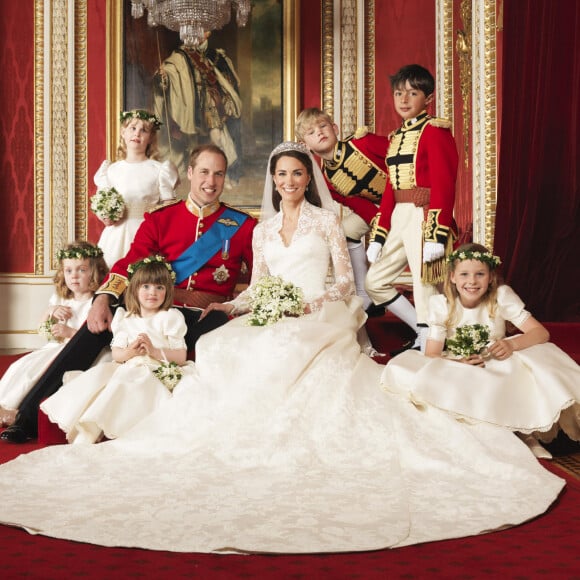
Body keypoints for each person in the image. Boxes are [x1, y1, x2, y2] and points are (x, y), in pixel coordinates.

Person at [0, 143, 565, 554]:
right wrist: (222, 306)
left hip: (311, 312)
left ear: (302, 177)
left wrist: (299, 303)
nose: (289, 181)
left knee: (267, 346)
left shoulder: (292, 224)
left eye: (297, 173)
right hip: (221, 306)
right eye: (281, 174)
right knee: (210, 344)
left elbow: (344, 283)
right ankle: (45, 412)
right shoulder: (223, 227)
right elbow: (237, 282)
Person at [0, 144, 255, 443]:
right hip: (152, 306)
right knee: (96, 327)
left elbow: (259, 278)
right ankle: (29, 417)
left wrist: (233, 307)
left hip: (203, 316)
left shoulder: (243, 226)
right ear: (189, 173)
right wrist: (102, 299)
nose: (210, 182)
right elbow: (128, 265)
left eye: (218, 174)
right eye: (203, 172)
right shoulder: (162, 219)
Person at [381, 243, 580, 458]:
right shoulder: (442, 305)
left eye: (480, 274)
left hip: (496, 361)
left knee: (521, 366)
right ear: (453, 277)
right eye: (464, 274)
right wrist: (458, 363)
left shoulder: (500, 297)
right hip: (460, 362)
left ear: (491, 277)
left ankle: (525, 434)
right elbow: (432, 354)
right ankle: (481, 436)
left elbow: (541, 333)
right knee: (412, 371)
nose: (472, 281)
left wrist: (511, 344)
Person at [41, 256, 195, 444]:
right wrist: (131, 351)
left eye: (159, 287)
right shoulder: (125, 317)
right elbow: (117, 354)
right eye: (145, 287)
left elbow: (180, 356)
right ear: (134, 290)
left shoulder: (170, 317)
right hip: (129, 364)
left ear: (167, 291)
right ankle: (88, 430)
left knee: (129, 383)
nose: (152, 292)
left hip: (158, 368)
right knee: (99, 380)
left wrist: (154, 351)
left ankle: (114, 429)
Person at [365, 64, 459, 352]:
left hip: (425, 215)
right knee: (375, 281)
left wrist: (435, 234)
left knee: (425, 282)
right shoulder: (396, 137)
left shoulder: (435, 131)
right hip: (399, 216)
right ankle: (421, 331)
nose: (403, 100)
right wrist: (379, 235)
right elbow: (390, 190)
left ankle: (429, 338)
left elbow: (445, 185)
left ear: (427, 98)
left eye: (412, 93)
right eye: (398, 94)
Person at [0, 242, 109, 427]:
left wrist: (69, 332)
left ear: (95, 272)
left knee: (40, 370)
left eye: (81, 270)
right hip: (55, 346)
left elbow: (92, 339)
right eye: (68, 270)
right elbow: (43, 328)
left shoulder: (97, 302)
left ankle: (20, 409)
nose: (74, 275)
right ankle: (5, 404)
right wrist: (51, 311)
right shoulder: (61, 299)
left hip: (75, 351)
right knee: (22, 366)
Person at [296, 107, 388, 312]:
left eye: (323, 126)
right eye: (311, 132)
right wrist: (381, 223)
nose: (319, 132)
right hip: (378, 210)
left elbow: (401, 162)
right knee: (343, 233)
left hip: (405, 200)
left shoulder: (362, 143)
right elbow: (359, 205)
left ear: (335, 128)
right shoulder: (327, 179)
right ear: (305, 145)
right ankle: (365, 295)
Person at [153, 36, 243, 191]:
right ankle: (192, 180)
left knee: (218, 139)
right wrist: (164, 78)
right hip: (190, 106)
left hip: (210, 103)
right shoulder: (180, 56)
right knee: (190, 144)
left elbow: (227, 80)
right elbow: (169, 71)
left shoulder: (216, 55)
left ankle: (224, 175)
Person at [93, 109, 179, 267]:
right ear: (123, 132)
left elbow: (169, 210)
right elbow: (102, 202)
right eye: (133, 128)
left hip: (146, 234)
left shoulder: (160, 170)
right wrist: (105, 216)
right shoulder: (111, 170)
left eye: (144, 130)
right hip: (116, 235)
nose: (137, 134)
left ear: (150, 137)